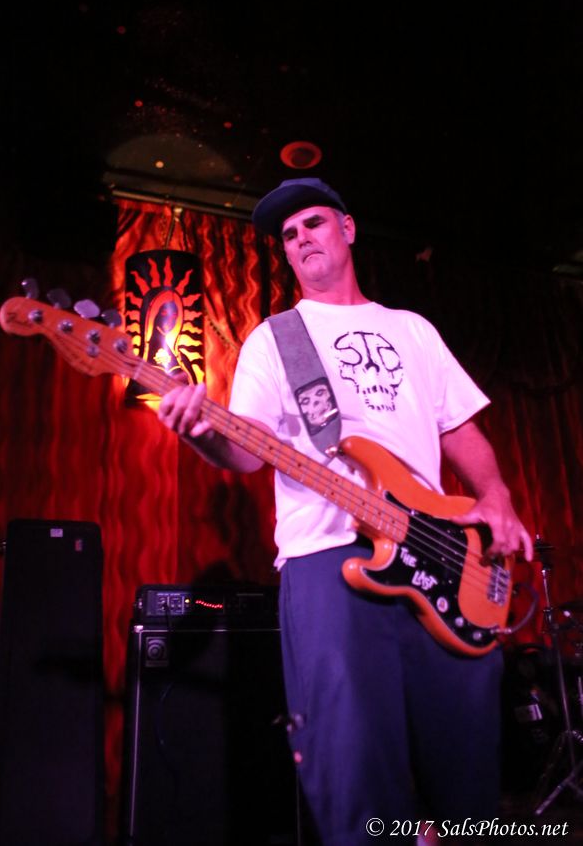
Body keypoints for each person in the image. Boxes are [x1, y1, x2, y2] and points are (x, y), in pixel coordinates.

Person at [158, 178, 533, 845]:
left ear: (348, 228)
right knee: (356, 772)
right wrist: (200, 431)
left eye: (313, 222)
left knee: (468, 763)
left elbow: (459, 429)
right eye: (289, 234)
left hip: (443, 557)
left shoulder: (412, 330)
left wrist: (497, 497)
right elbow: (247, 449)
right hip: (328, 561)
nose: (301, 238)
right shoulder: (276, 340)